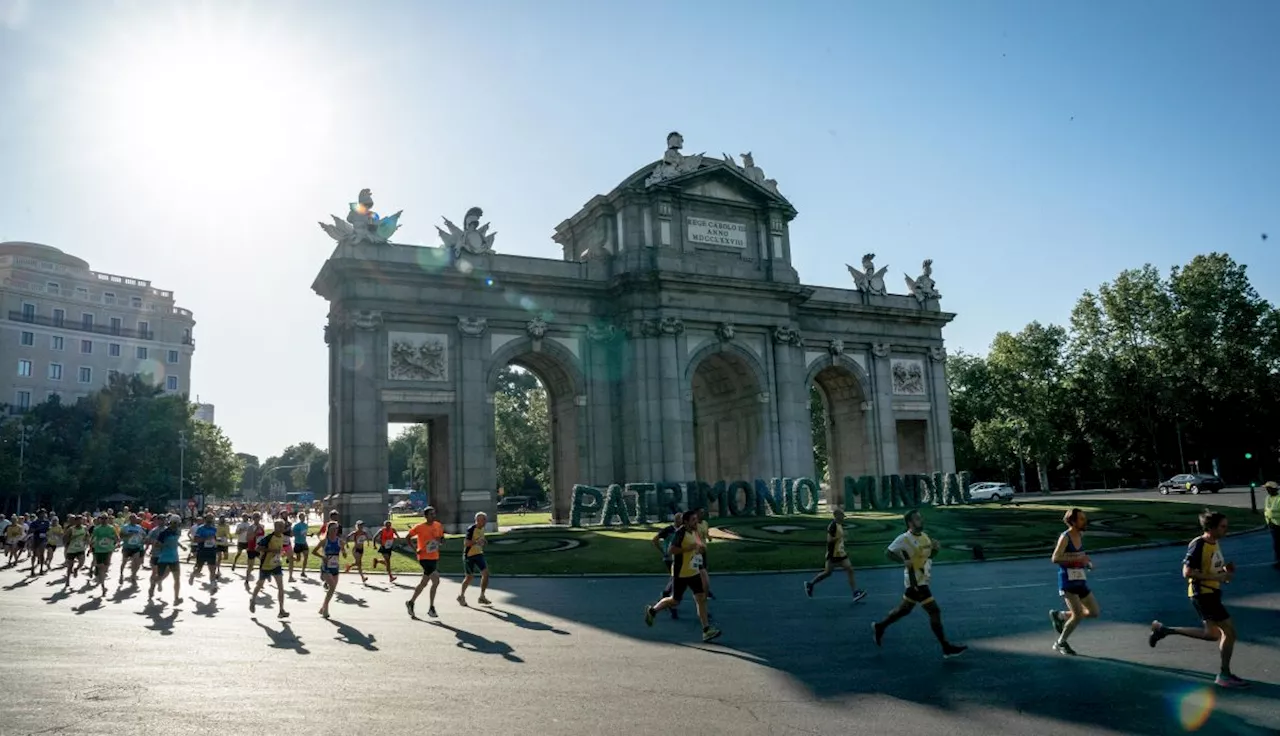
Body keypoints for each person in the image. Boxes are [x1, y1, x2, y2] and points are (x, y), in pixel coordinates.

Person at [1149, 509, 1248, 688]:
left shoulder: (1214, 542)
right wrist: (1217, 578)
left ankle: (1164, 630)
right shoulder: (1198, 544)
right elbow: (1186, 572)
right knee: (1230, 633)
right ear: (1211, 527)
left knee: (1212, 635)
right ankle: (1224, 675)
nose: (1227, 529)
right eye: (1223, 526)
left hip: (1211, 592)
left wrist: (1225, 572)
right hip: (1203, 594)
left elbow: (1213, 571)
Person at [872, 510, 967, 658]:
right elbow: (888, 553)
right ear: (910, 523)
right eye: (917, 519)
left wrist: (936, 550)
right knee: (934, 611)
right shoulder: (904, 538)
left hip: (923, 578)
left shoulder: (925, 537)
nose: (921, 521)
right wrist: (903, 561)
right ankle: (946, 647)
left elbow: (929, 557)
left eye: (920, 518)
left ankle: (880, 626)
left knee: (905, 610)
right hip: (915, 581)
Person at [644, 511, 722, 642]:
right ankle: (652, 611)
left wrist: (699, 549)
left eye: (696, 519)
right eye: (693, 520)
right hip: (681, 573)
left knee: (701, 598)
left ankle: (706, 630)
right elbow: (671, 550)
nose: (696, 522)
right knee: (675, 600)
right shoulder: (680, 533)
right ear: (686, 522)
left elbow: (697, 546)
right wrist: (689, 548)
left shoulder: (694, 531)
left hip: (693, 571)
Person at [1048, 508, 1100, 655]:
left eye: (1084, 518)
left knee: (1094, 612)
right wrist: (1078, 558)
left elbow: (1080, 554)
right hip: (1067, 582)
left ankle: (1061, 616)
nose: (1085, 521)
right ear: (1073, 522)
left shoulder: (1080, 535)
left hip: (1080, 579)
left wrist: (1087, 562)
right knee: (1077, 615)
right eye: (1082, 519)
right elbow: (1055, 558)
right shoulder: (1065, 537)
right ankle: (1060, 643)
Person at [804, 507, 868, 603]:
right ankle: (810, 584)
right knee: (827, 572)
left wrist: (843, 539)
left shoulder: (839, 524)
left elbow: (839, 538)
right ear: (837, 516)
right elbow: (829, 540)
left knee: (850, 570)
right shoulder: (832, 526)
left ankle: (855, 593)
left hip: (840, 553)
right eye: (842, 516)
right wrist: (839, 537)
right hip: (833, 554)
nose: (843, 518)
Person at [405, 507, 445, 618]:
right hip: (423, 557)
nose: (433, 515)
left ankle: (411, 602)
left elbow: (442, 538)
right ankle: (431, 608)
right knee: (436, 580)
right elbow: (408, 537)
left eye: (434, 513)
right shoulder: (419, 527)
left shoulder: (438, 525)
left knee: (424, 583)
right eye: (431, 514)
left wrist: (440, 541)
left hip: (434, 556)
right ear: (426, 516)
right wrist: (414, 549)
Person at [249, 519, 290, 618]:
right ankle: (253, 599)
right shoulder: (269, 537)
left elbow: (280, 550)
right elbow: (257, 548)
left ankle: (281, 610)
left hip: (276, 565)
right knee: (260, 585)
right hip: (266, 565)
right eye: (277, 526)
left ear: (284, 528)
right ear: (274, 527)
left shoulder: (282, 537)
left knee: (281, 587)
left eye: (281, 526)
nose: (279, 528)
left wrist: (282, 553)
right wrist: (271, 550)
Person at [651, 511, 683, 619]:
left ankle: (665, 596)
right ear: (676, 520)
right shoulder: (668, 530)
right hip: (669, 559)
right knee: (676, 579)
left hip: (679, 558)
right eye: (680, 519)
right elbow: (655, 539)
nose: (682, 521)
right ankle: (671, 604)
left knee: (674, 578)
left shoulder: (683, 531)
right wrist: (662, 551)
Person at [148, 516, 183, 606]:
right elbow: (157, 544)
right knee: (159, 576)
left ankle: (176, 598)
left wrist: (181, 546)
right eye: (173, 523)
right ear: (170, 523)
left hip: (175, 558)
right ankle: (153, 585)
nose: (175, 525)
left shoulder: (178, 531)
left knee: (177, 579)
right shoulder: (164, 533)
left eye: (177, 523)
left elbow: (175, 542)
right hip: (164, 558)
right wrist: (163, 545)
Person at [459, 512, 491, 606]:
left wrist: (484, 542)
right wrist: (477, 541)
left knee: (486, 574)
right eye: (483, 519)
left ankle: (482, 596)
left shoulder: (482, 529)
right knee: (469, 577)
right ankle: (461, 596)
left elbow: (481, 541)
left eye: (485, 519)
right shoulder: (471, 529)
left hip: (479, 554)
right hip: (469, 555)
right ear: (478, 520)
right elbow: (466, 543)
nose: (485, 521)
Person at [317, 521, 345, 617]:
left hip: (335, 567)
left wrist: (343, 549)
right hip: (326, 567)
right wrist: (322, 557)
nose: (335, 531)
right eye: (333, 529)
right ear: (328, 530)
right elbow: (314, 552)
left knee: (332, 589)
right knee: (332, 587)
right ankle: (325, 610)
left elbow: (344, 555)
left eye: (336, 529)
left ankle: (323, 607)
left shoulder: (339, 541)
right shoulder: (324, 541)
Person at [89, 513, 119, 597]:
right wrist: (90, 546)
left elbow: (117, 538)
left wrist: (116, 542)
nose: (104, 520)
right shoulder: (97, 529)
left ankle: (97, 570)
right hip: (99, 550)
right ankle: (103, 587)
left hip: (108, 550)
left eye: (105, 518)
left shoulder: (111, 528)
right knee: (102, 569)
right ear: (99, 519)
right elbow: (92, 539)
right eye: (102, 518)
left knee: (105, 569)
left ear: (108, 519)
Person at [188, 513, 220, 592]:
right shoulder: (200, 528)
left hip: (211, 550)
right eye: (208, 519)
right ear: (205, 520)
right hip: (202, 550)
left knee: (212, 569)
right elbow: (195, 540)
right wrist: (206, 538)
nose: (210, 520)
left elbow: (214, 538)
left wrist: (217, 540)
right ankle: (192, 575)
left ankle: (213, 585)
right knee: (199, 569)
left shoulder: (214, 529)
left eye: (211, 518)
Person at [118, 514, 148, 587]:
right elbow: (121, 536)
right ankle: (121, 574)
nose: (135, 520)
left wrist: (144, 538)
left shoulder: (139, 527)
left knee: (136, 562)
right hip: (127, 547)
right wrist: (129, 535)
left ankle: (133, 576)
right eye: (133, 519)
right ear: (130, 519)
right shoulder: (125, 527)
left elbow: (143, 535)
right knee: (124, 562)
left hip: (136, 547)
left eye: (136, 519)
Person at [63, 516, 88, 586]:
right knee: (70, 566)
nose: (79, 522)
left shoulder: (84, 528)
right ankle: (67, 580)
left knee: (82, 562)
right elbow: (65, 537)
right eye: (78, 521)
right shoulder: (71, 529)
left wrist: (87, 542)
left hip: (80, 548)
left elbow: (87, 536)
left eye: (81, 520)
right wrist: (66, 545)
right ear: (75, 521)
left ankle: (76, 569)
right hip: (71, 549)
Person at [26, 511, 50, 576]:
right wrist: (37, 529)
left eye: (44, 513)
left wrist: (48, 534)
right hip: (36, 539)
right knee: (34, 554)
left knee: (42, 554)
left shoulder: (47, 522)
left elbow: (49, 530)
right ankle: (32, 568)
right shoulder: (34, 523)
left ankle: (41, 569)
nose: (43, 515)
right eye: (41, 513)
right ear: (39, 514)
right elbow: (30, 531)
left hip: (43, 539)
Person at [1264, 481, 1279, 569]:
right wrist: (1267, 522)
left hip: (1279, 524)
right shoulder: (1268, 498)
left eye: (1268, 488)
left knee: (1278, 544)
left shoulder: (1279, 498)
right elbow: (1267, 510)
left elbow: (1273, 511)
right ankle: (1278, 560)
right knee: (1276, 544)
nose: (1267, 490)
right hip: (1272, 524)